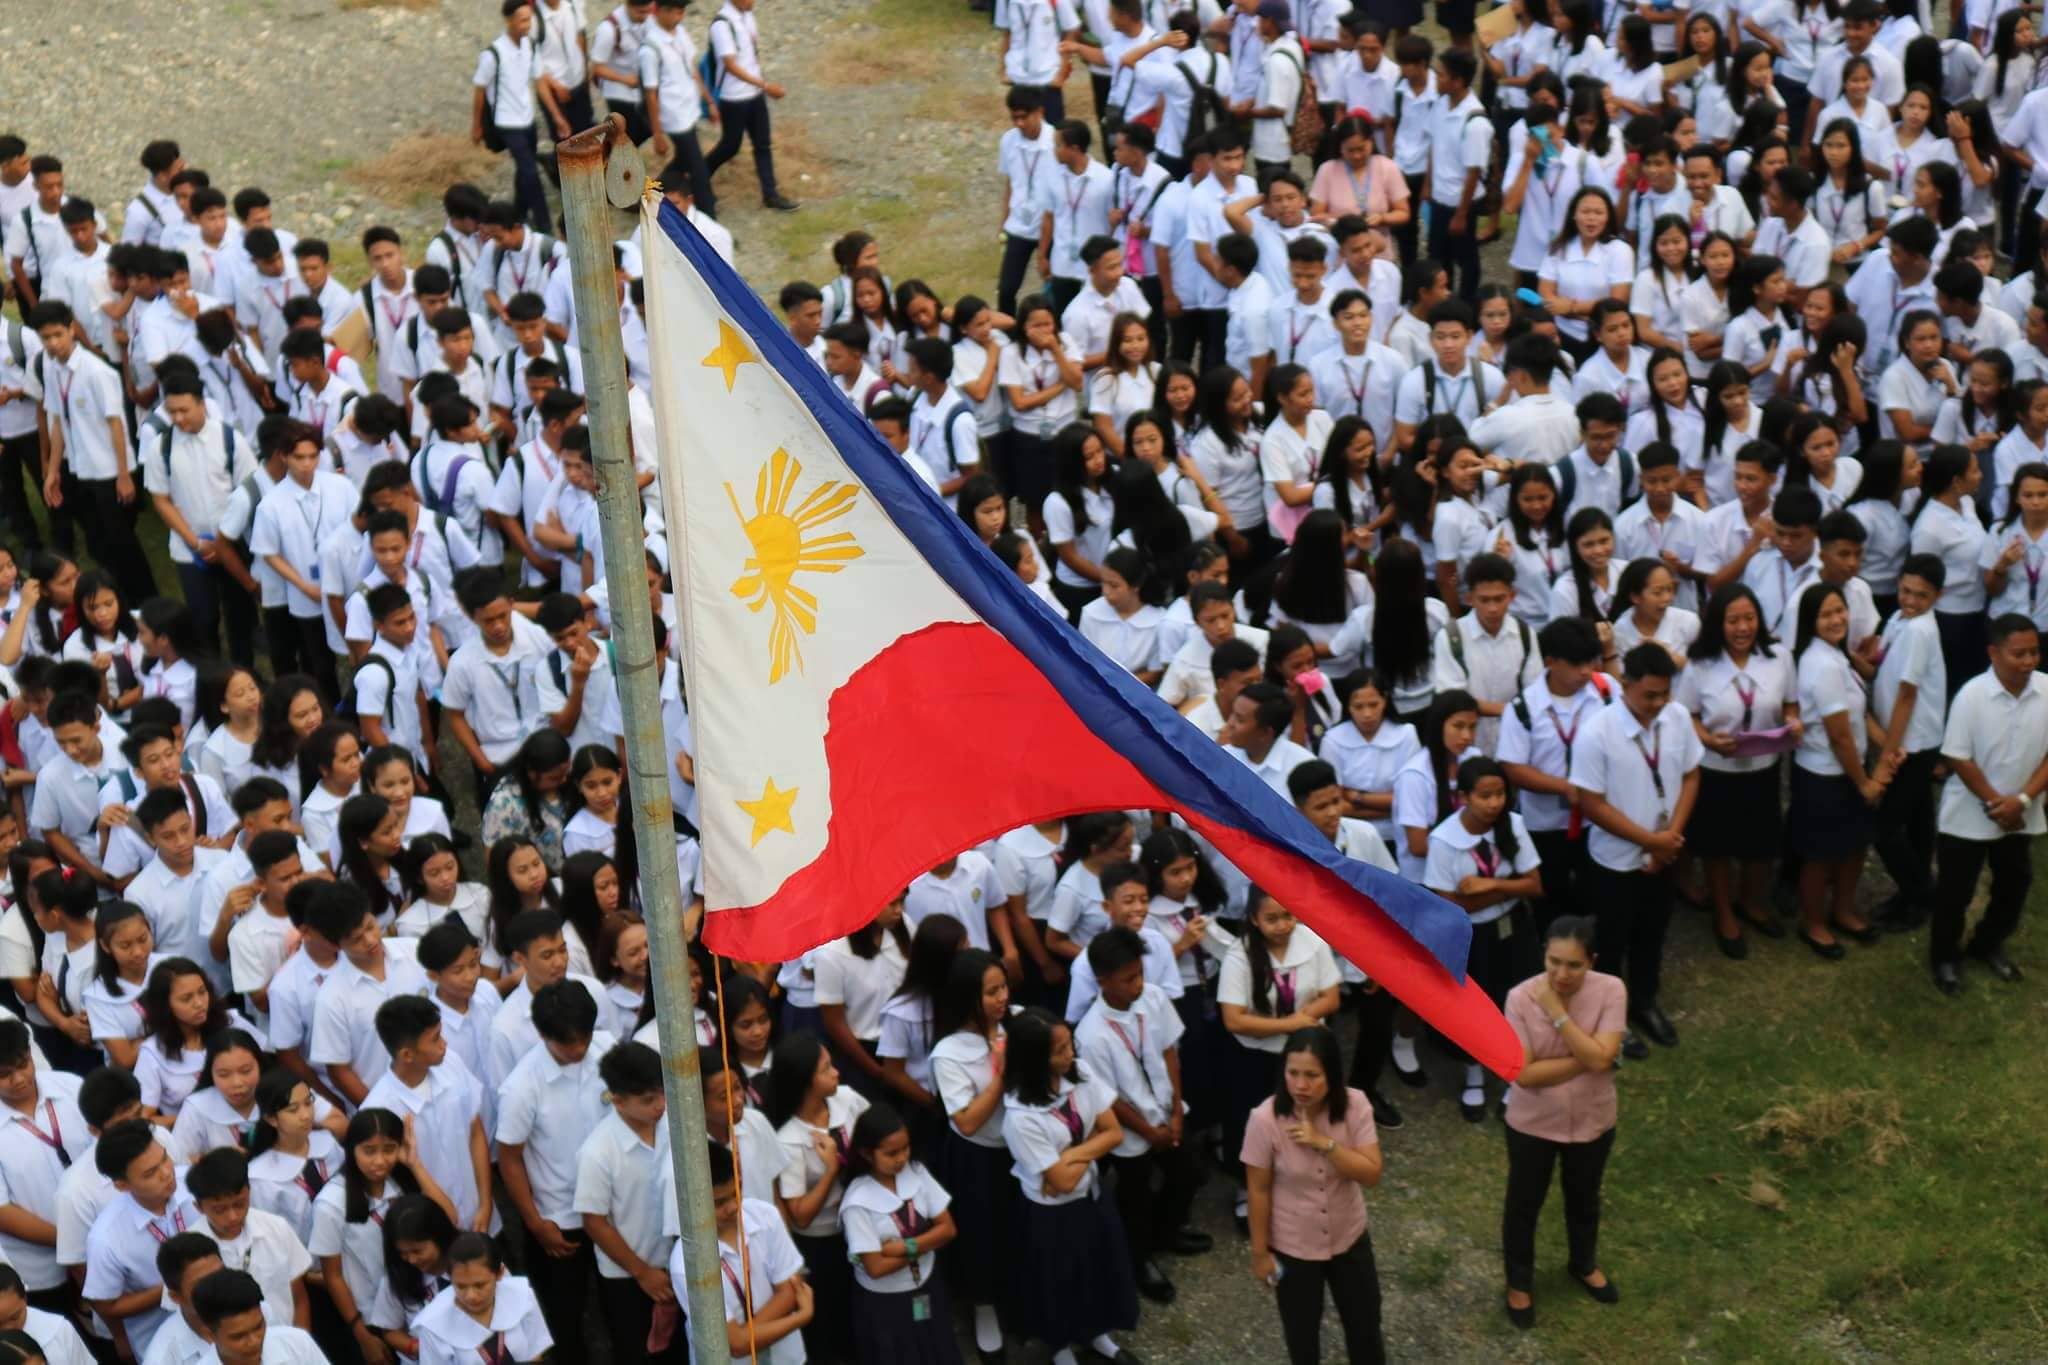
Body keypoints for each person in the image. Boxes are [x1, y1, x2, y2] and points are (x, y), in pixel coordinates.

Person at [1568, 644, 1700, 1055]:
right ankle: (1610, 1018)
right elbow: (1590, 803)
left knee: (1653, 932)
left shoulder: (1675, 718)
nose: (1659, 704)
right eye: (1649, 695)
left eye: (1664, 694)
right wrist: (1650, 842)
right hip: (1616, 861)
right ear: (1625, 686)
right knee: (1612, 940)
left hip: (1665, 854)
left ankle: (1644, 1002)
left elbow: (1692, 775)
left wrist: (1669, 839)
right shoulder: (1597, 733)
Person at [1499, 915, 1625, 1329]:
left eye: (1573, 965)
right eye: (1554, 961)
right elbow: (1524, 1073)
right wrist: (1588, 1057)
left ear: (1592, 962)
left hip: (1593, 1119)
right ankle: (1519, 1283)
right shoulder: (1519, 998)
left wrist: (1557, 1015)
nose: (1561, 974)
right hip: (1532, 1123)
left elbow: (1602, 1059)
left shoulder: (1611, 990)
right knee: (1523, 1204)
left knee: (1584, 1198)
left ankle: (1583, 1264)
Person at [998, 1006, 1138, 1365]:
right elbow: (1060, 1183)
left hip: (1089, 1195)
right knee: (1057, 1282)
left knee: (1095, 1268)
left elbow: (1114, 1132)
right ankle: (1060, 1347)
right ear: (1034, 1060)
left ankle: (1096, 1333)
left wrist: (1072, 1155)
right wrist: (1090, 1146)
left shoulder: (1079, 1072)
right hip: (1051, 1215)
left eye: (1069, 1044)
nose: (1071, 1054)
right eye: (1059, 1050)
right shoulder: (1021, 1117)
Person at [1242, 1025, 1385, 1365]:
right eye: (1293, 1073)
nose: (1301, 1085)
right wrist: (1260, 1254)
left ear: (1332, 1075)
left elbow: (1372, 1173)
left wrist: (1325, 1144)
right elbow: (1258, 1190)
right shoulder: (1264, 1120)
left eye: (1312, 1075)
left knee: (1365, 1325)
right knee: (1301, 1334)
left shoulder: (1356, 1105)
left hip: (1349, 1236)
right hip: (1294, 1246)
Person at [1928, 614, 2047, 995]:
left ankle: (1986, 944)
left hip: (2020, 813)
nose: (2029, 661)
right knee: (1955, 892)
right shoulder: (1971, 696)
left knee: (2014, 885)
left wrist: (2023, 800)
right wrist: (1999, 804)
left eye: (2034, 652)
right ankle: (1944, 957)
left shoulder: (2047, 690)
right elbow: (1959, 758)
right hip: (1970, 816)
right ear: (1993, 653)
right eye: (2019, 654)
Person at [571, 1040, 675, 1365]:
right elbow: (595, 1222)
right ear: (617, 1101)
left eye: (662, 1093)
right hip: (629, 1276)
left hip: (675, 1264)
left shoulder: (675, 1126)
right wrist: (642, 1272)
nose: (660, 1105)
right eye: (648, 1100)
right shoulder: (597, 1152)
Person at [840, 1102, 961, 1364]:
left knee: (935, 1346)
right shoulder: (858, 1202)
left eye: (905, 1148)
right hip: (886, 1302)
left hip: (925, 1283)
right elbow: (876, 1267)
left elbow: (948, 1229)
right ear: (867, 1153)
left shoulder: (916, 1173)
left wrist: (903, 1247)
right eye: (890, 1153)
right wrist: (929, 1241)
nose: (901, 1158)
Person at [472, 0, 558, 234]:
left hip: (527, 119)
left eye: (529, 19)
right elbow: (479, 90)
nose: (527, 25)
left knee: (524, 170)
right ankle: (545, 226)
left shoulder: (530, 46)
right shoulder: (493, 54)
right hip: (506, 123)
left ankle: (517, 214)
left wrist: (556, 116)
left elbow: (540, 82)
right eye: (522, 20)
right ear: (509, 21)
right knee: (530, 172)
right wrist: (476, 126)